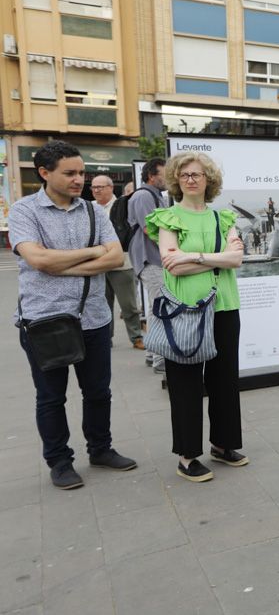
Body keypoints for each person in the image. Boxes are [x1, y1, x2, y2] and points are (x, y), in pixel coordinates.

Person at [9, 140, 137, 490]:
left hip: (94, 316)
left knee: (98, 392)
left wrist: (63, 262)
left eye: (82, 172)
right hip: (44, 320)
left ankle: (101, 449)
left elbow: (115, 258)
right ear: (44, 173)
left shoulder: (94, 211)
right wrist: (90, 254)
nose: (79, 179)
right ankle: (60, 462)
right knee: (51, 397)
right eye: (70, 173)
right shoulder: (24, 211)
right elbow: (38, 260)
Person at [146, 152, 246, 483]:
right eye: (185, 174)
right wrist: (218, 258)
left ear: (209, 180)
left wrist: (196, 256)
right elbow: (171, 263)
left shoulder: (224, 218)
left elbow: (237, 259)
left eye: (198, 174)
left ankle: (223, 444)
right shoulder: (167, 218)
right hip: (185, 310)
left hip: (224, 307)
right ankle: (187, 456)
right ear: (176, 180)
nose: (191, 179)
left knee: (225, 382)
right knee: (185, 385)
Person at [90, 175, 144, 350]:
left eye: (100, 187)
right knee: (102, 304)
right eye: (94, 187)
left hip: (121, 264)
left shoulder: (122, 206)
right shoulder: (89, 207)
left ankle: (136, 336)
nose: (96, 190)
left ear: (110, 188)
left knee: (128, 305)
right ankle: (106, 338)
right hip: (97, 264)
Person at [128, 158, 167, 373]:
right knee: (161, 306)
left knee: (156, 307)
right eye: (164, 173)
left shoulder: (154, 195)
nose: (168, 178)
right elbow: (149, 230)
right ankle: (160, 359)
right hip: (149, 258)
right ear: (152, 175)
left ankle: (153, 354)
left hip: (153, 258)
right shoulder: (144, 195)